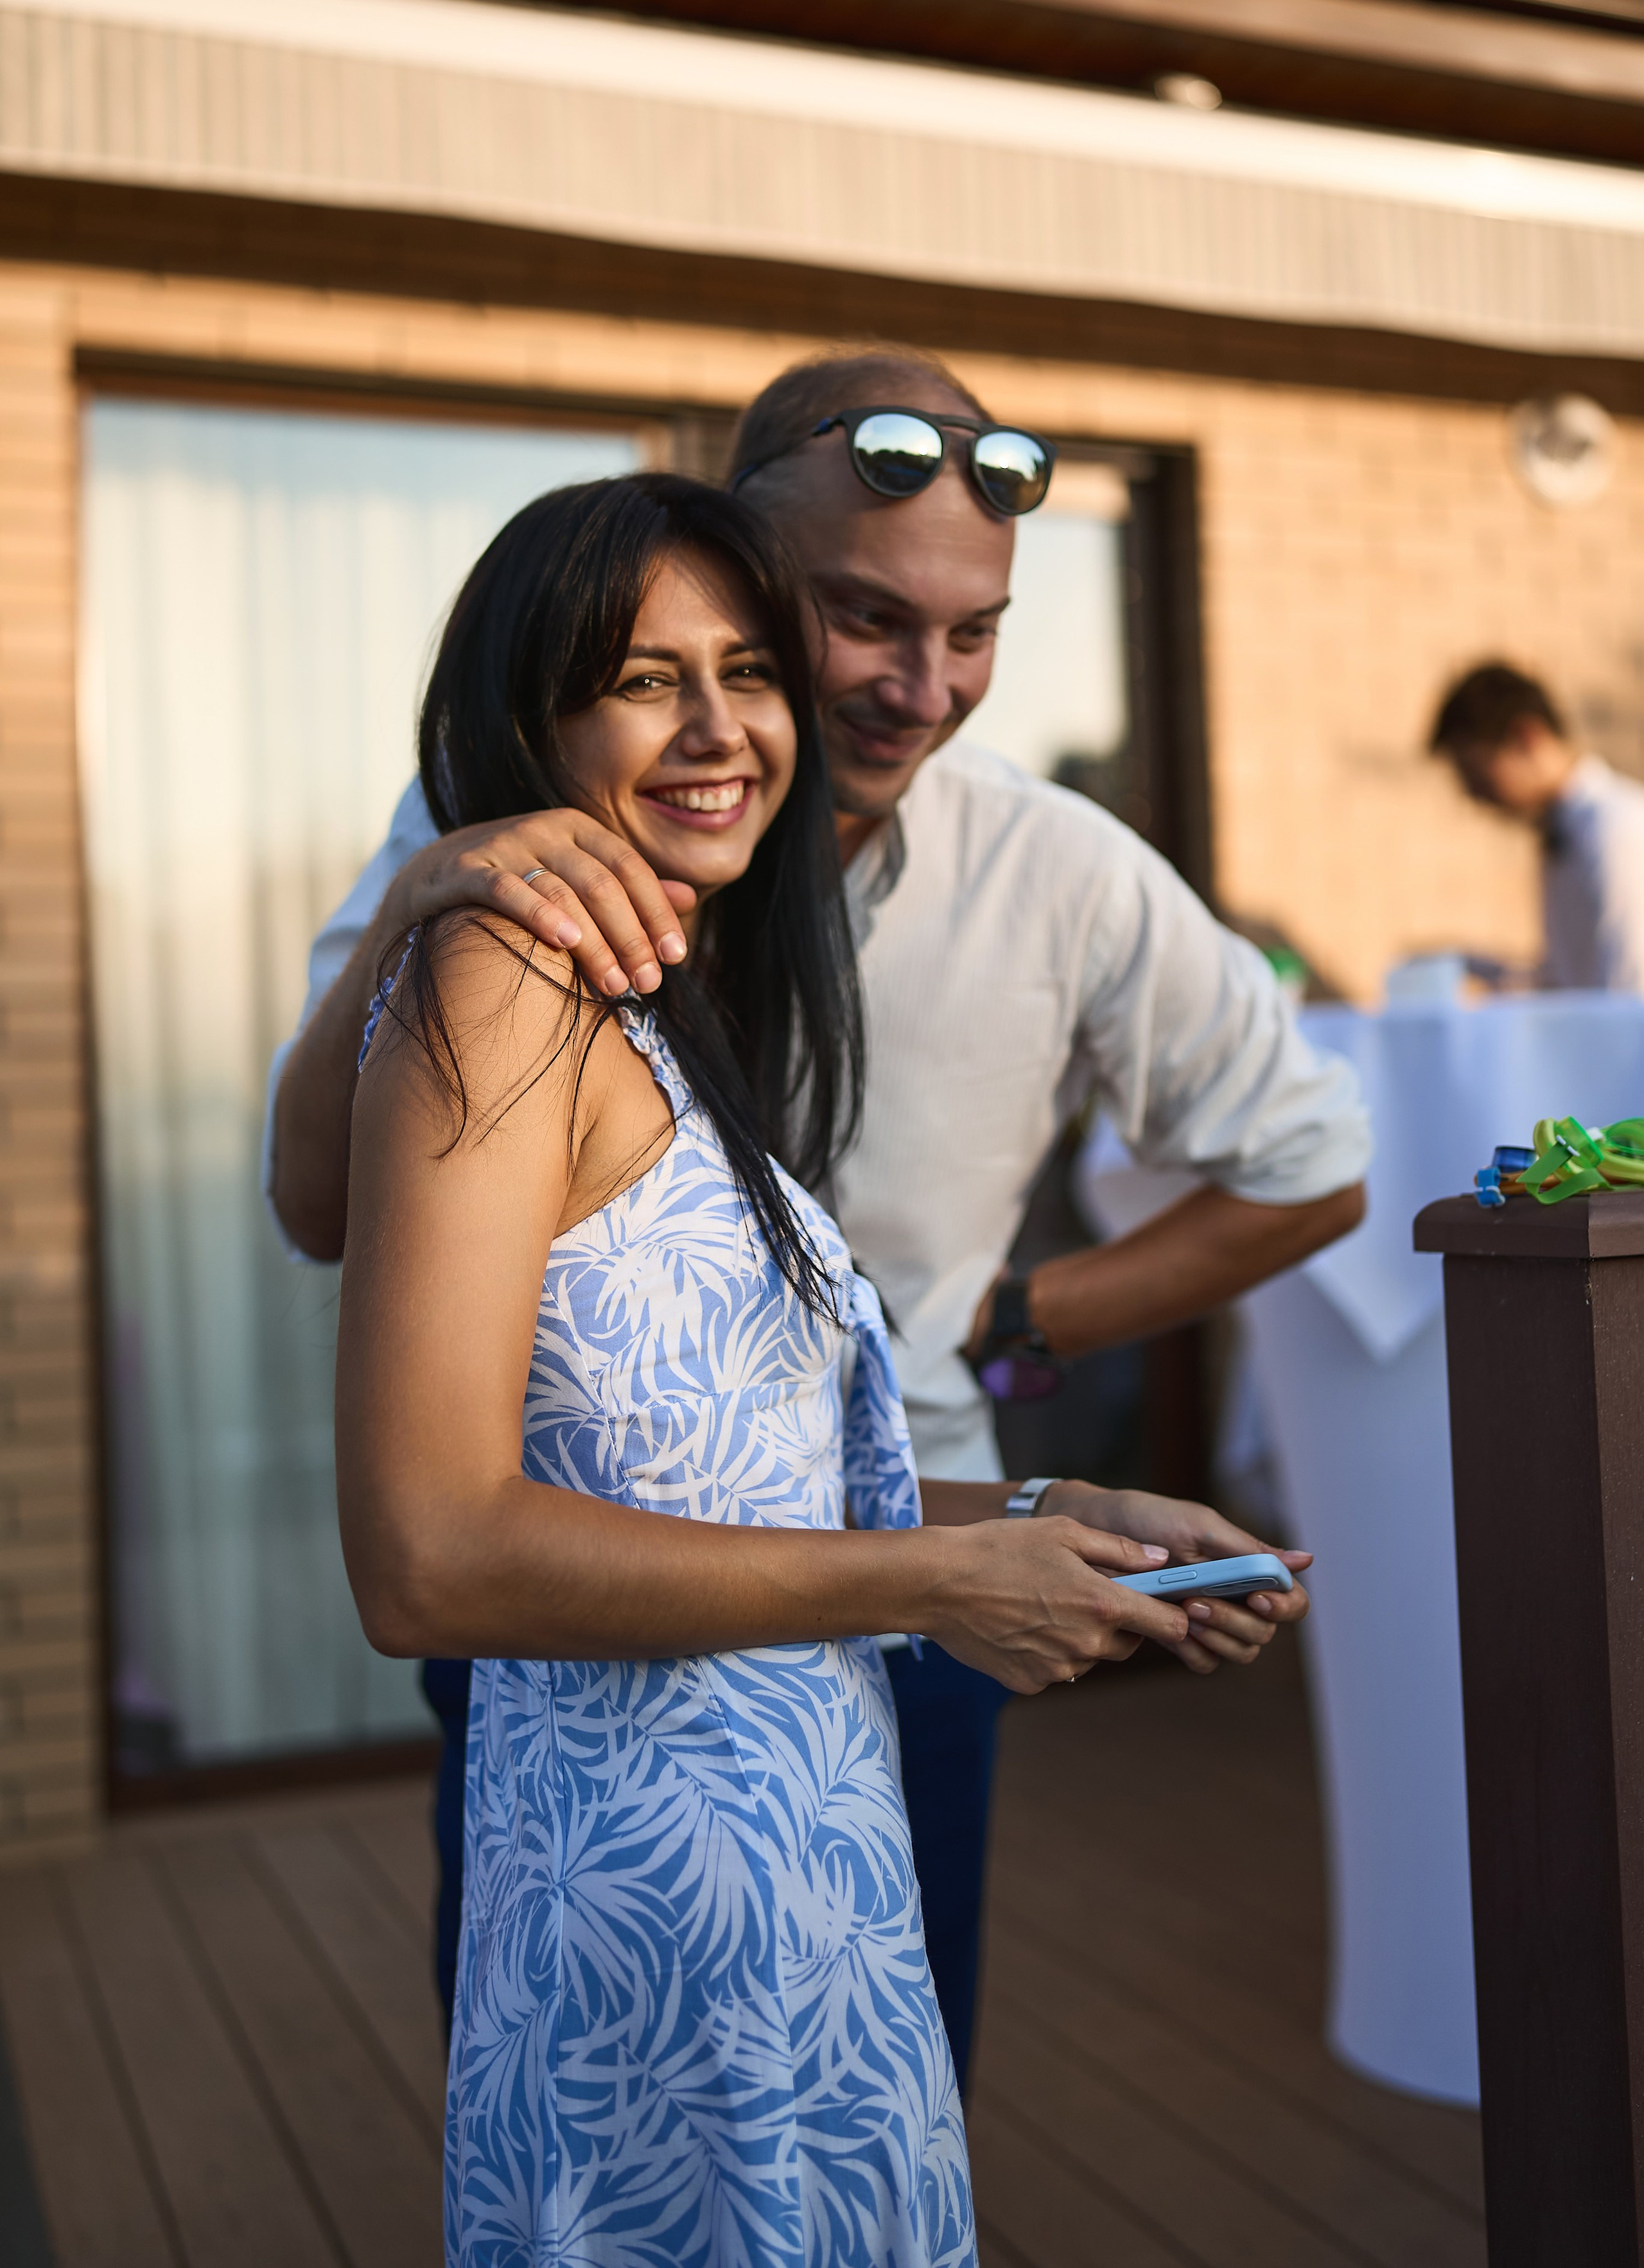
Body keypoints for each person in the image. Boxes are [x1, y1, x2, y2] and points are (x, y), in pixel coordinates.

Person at [270, 345, 1365, 2091]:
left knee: (884, 2067)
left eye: (976, 632)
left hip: (906, 1532)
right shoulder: (527, 889)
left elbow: (1318, 1162)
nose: (921, 689)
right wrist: (425, 899)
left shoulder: (1026, 864)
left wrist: (1025, 1392)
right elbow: (337, 1257)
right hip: (609, 1599)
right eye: (858, 618)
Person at [337, 468, 1203, 2266]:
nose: (724, 729)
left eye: (751, 670)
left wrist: (1052, 1518)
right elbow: (424, 1556)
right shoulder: (502, 977)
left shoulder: (662, 999)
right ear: (531, 715)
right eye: (649, 678)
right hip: (658, 1935)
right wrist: (941, 1583)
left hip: (801, 1879)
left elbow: (744, 1492)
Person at [1430, 660, 1644, 996]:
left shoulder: (1618, 832)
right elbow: (1569, 983)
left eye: (1476, 772)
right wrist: (1471, 967)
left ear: (1525, 737)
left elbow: (1629, 1000)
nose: (1473, 794)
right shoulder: (1563, 835)